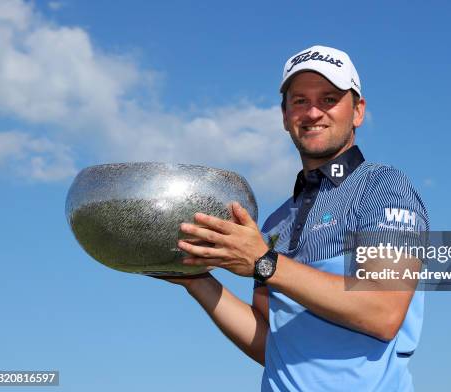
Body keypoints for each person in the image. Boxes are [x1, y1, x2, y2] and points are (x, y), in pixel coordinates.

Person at [160, 45, 429, 391]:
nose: (313, 112)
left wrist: (265, 263)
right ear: (285, 116)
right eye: (300, 101)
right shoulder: (275, 223)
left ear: (358, 111)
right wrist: (198, 281)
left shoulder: (383, 187)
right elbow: (271, 346)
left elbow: (383, 311)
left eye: (329, 98)